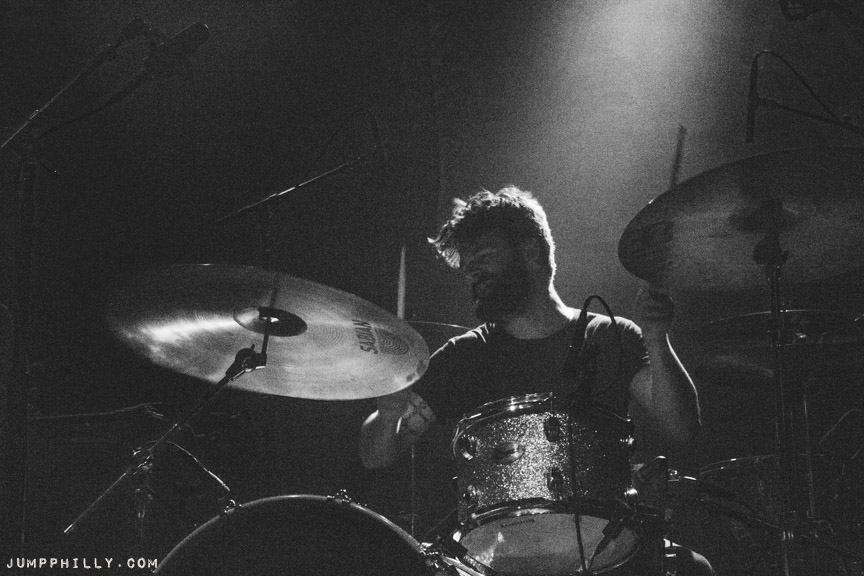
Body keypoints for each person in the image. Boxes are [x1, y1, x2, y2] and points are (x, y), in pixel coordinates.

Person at [359, 186, 711, 575]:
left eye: (485, 256)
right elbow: (375, 456)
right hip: (501, 551)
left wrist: (657, 338)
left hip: (606, 543)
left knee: (695, 569)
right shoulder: (465, 355)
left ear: (530, 252)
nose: (473, 272)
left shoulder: (609, 335)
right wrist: (387, 414)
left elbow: (683, 430)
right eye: (469, 266)